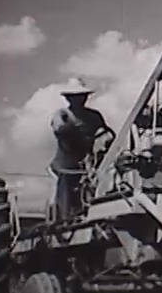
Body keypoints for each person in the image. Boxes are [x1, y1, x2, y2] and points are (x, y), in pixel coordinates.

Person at [49, 78, 115, 221]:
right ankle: (64, 221)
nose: (80, 100)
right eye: (75, 97)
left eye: (82, 96)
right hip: (67, 165)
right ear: (68, 98)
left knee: (95, 193)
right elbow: (60, 131)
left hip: (90, 165)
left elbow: (105, 134)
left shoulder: (94, 116)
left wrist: (104, 141)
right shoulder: (62, 115)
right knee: (66, 197)